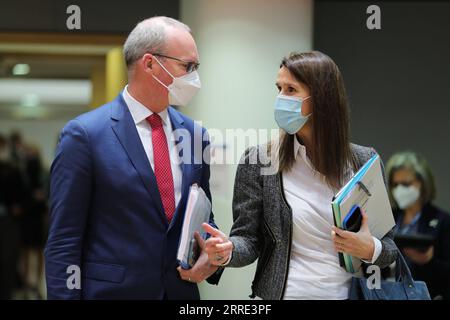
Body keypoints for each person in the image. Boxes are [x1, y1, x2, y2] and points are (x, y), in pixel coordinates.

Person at [45, 16, 222, 300]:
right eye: (187, 66)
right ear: (150, 64)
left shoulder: (195, 134)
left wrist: (212, 253)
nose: (193, 77)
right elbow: (64, 240)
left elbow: (203, 215)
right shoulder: (85, 135)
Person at [201, 51, 398, 300]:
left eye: (291, 90)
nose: (281, 98)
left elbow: (389, 248)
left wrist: (370, 248)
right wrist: (228, 250)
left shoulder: (364, 161)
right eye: (279, 88)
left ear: (321, 100)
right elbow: (248, 240)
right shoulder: (258, 160)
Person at [386, 151, 450, 299]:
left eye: (406, 184)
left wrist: (429, 262)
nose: (400, 190)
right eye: (395, 184)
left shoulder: (442, 221)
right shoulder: (389, 217)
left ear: (422, 183)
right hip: (389, 293)